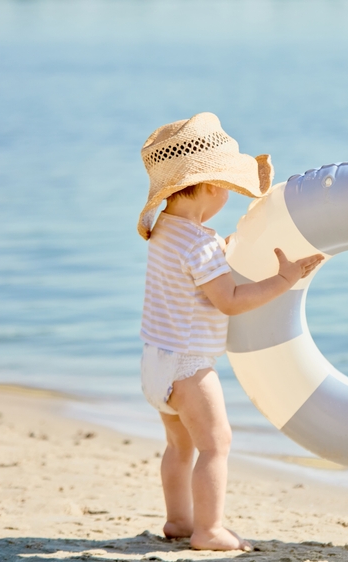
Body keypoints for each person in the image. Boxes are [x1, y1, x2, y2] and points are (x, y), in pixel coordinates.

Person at [135, 112, 323, 551]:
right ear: (214, 187)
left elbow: (192, 277)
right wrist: (282, 280)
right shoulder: (200, 245)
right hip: (188, 365)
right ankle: (209, 530)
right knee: (216, 444)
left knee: (179, 448)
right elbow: (230, 301)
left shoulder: (164, 230)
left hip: (154, 361)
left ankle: (178, 521)